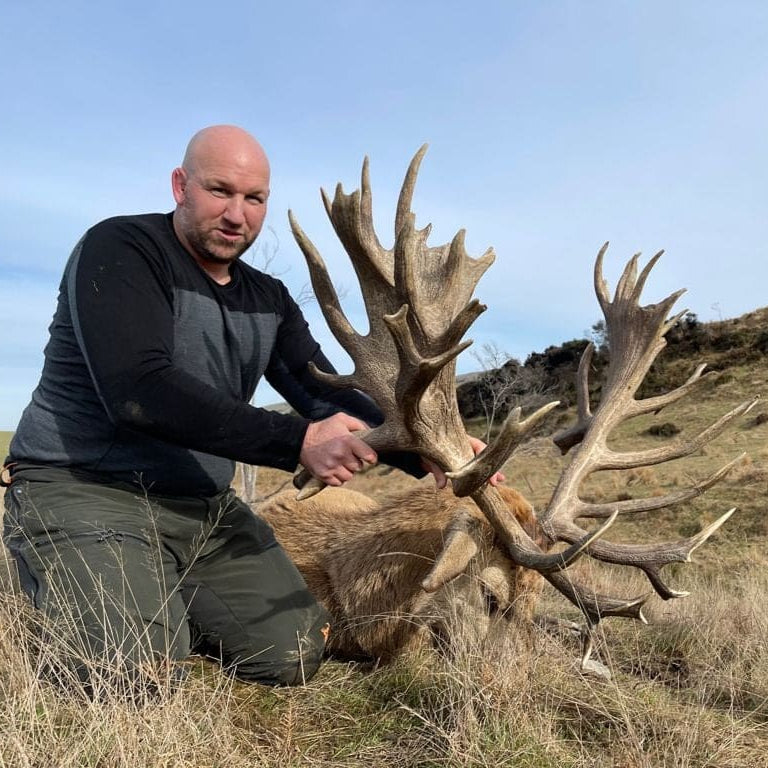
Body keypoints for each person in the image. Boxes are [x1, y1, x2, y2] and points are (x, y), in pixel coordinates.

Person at [2, 125, 500, 691]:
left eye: (254, 198)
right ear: (179, 185)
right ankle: (66, 583)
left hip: (198, 503)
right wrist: (298, 443)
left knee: (295, 653)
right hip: (86, 484)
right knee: (130, 674)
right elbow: (139, 390)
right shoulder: (122, 250)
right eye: (219, 191)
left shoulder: (268, 298)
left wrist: (430, 454)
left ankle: (147, 594)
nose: (237, 214)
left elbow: (321, 391)